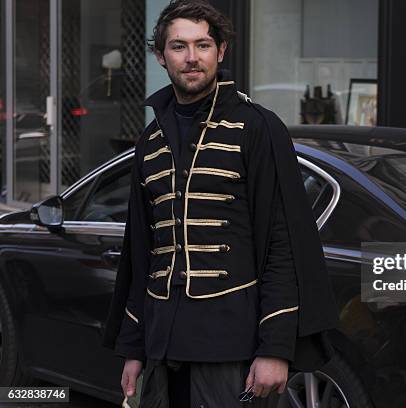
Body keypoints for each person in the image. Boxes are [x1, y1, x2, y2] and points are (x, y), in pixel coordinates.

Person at [101, 1, 338, 406]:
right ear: (160, 56)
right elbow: (142, 254)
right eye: (179, 46)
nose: (192, 58)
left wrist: (275, 348)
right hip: (162, 345)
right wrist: (134, 348)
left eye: (203, 45)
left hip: (232, 347)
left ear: (221, 51)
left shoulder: (257, 128)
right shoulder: (150, 143)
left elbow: (283, 245)